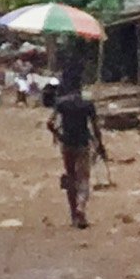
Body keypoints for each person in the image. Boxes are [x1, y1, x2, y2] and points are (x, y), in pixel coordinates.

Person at [47, 81, 102, 229]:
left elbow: (49, 123)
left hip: (67, 144)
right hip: (83, 144)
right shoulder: (87, 105)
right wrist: (100, 146)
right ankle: (81, 208)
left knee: (70, 176)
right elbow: (96, 128)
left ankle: (73, 215)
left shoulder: (61, 104)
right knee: (83, 178)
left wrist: (59, 135)